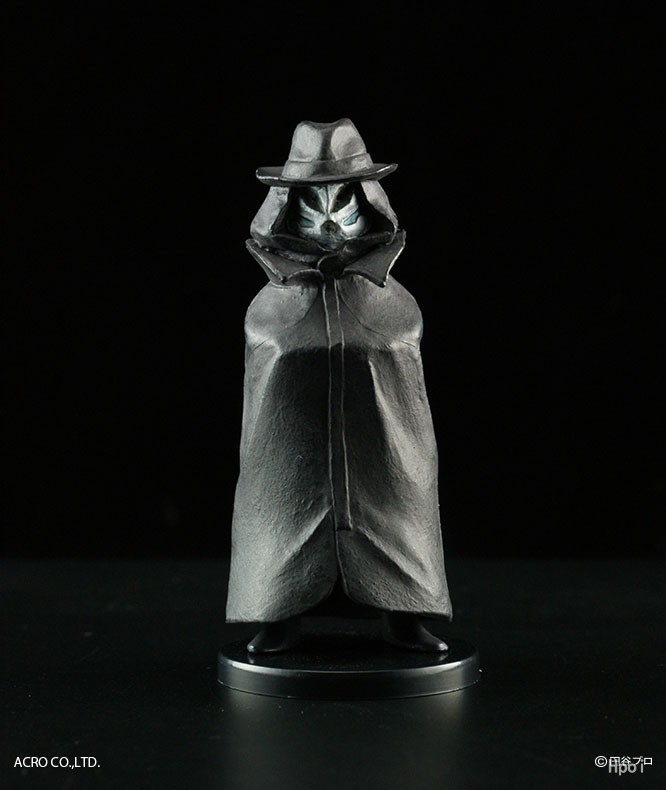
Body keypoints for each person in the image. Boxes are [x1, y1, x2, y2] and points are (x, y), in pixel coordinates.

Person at [226, 119, 451, 653]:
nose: (329, 219)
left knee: (398, 515)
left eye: (344, 201)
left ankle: (404, 613)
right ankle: (276, 614)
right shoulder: (268, 311)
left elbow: (403, 388)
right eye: (311, 202)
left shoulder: (395, 304)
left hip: (382, 458)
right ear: (286, 207)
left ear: (368, 202)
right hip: (292, 459)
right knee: (280, 515)